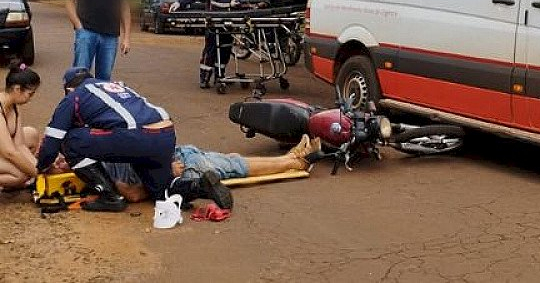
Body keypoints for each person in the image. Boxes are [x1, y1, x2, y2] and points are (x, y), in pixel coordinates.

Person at [36, 67, 232, 212]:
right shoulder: (116, 87)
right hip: (164, 135)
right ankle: (199, 186)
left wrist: (41, 167)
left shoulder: (75, 96)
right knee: (162, 192)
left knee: (70, 141)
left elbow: (53, 139)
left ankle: (109, 196)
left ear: (68, 89)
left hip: (136, 137)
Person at [102, 135, 322, 202]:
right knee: (236, 165)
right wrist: (166, 172)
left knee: (233, 160)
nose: (64, 162)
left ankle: (289, 157)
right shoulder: (104, 173)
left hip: (182, 154)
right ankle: (296, 161)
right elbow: (134, 194)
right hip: (185, 167)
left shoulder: (95, 149)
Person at [170, 0, 250, 88]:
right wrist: (179, 2)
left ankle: (220, 75)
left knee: (225, 50)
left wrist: (239, 2)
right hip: (213, 23)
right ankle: (205, 77)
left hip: (230, 24)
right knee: (210, 50)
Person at [0, 62, 41, 190]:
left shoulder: (14, 106)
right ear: (17, 89)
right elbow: (9, 152)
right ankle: (11, 180)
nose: (31, 98)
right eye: (30, 94)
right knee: (21, 175)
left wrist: (39, 168)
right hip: (5, 151)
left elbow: (20, 145)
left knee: (31, 134)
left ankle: (11, 184)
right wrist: (35, 174)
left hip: (4, 149)